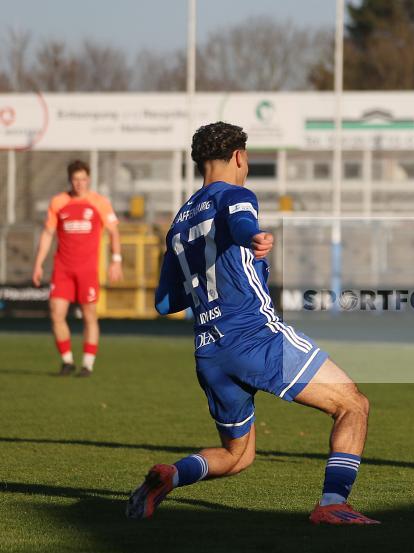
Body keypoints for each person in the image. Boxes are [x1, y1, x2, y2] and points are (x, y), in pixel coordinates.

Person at [126, 122, 378, 525]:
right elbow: (243, 221)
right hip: (254, 338)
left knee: (237, 455)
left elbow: (164, 302)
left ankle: (170, 476)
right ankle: (333, 504)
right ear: (240, 157)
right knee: (353, 405)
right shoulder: (237, 194)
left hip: (209, 352)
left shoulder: (179, 223)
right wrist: (253, 238)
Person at [31, 160, 123, 377]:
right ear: (70, 180)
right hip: (62, 268)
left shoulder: (99, 202)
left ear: (88, 179)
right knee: (56, 313)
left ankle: (88, 364)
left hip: (87, 270)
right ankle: (67, 361)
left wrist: (116, 260)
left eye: (83, 179)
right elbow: (47, 234)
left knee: (89, 316)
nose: (80, 184)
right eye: (76, 179)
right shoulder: (59, 202)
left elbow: (113, 232)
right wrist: (38, 264)